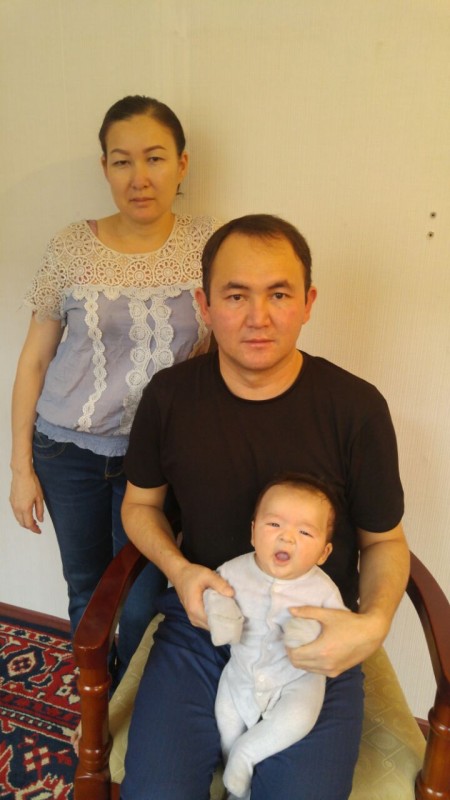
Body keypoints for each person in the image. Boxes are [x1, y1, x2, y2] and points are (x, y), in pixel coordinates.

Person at [120, 213, 410, 800]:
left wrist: (372, 625)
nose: (258, 317)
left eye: (279, 294)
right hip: (203, 625)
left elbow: (385, 540)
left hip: (311, 636)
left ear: (307, 303)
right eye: (236, 296)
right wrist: (180, 571)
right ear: (204, 305)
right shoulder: (170, 397)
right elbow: (139, 505)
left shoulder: (356, 408)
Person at [9, 95, 218, 678]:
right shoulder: (70, 247)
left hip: (158, 459)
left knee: (147, 596)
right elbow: (34, 361)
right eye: (122, 161)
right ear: (104, 167)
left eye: (155, 158)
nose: (138, 177)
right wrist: (21, 468)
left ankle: (137, 701)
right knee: (87, 588)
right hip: (66, 451)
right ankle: (98, 699)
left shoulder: (209, 244)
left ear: (182, 163)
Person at [204, 473, 347, 799]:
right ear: (253, 532)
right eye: (274, 525)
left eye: (305, 532)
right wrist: (222, 615)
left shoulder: (323, 589)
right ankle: (234, 770)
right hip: (241, 673)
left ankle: (247, 753)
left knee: (298, 717)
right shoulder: (235, 570)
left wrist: (312, 633)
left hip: (297, 680)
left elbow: (339, 629)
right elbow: (214, 590)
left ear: (323, 553)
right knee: (226, 716)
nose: (287, 538)